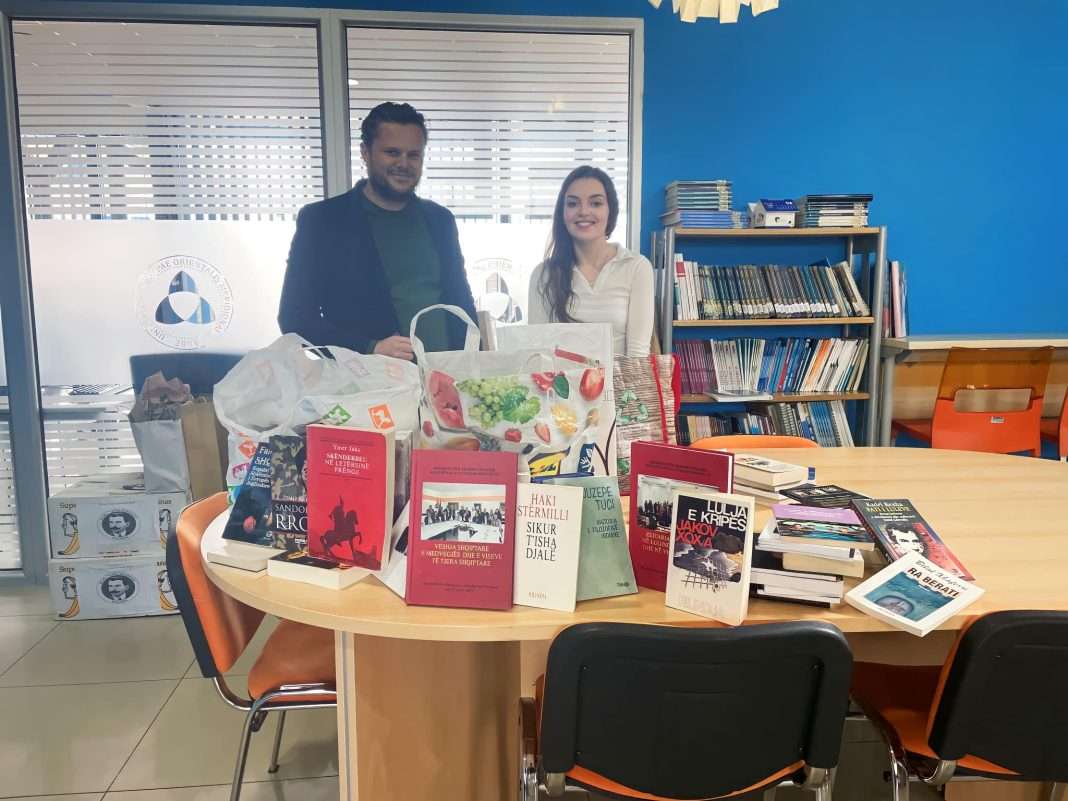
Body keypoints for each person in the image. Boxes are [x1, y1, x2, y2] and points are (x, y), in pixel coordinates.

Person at [278, 102, 478, 359]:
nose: (403, 163)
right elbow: (295, 318)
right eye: (392, 152)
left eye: (413, 155)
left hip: (448, 374)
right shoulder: (323, 221)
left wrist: (476, 363)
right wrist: (369, 348)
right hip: (369, 378)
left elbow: (460, 299)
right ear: (365, 152)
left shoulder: (440, 220)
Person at [528, 165, 654, 357]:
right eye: (573, 204)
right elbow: (537, 353)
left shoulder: (636, 267)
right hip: (560, 377)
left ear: (610, 211)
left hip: (622, 377)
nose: (584, 211)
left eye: (595, 203)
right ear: (562, 214)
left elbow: (638, 355)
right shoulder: (543, 274)